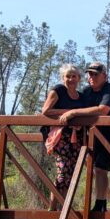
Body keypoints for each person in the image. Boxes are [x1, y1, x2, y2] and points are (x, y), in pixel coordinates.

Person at [59, 61, 110, 212]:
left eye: (95, 74)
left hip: (109, 136)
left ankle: (100, 204)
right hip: (88, 136)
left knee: (100, 169)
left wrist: (74, 113)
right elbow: (76, 106)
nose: (92, 76)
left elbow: (103, 110)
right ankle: (63, 208)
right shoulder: (86, 91)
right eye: (89, 74)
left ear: (104, 76)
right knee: (82, 170)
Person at [41, 64, 87, 210]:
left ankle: (64, 208)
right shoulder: (58, 90)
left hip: (77, 138)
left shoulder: (81, 96)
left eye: (74, 76)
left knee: (72, 173)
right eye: (68, 76)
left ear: (79, 78)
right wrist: (69, 111)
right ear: (63, 78)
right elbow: (46, 111)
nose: (71, 79)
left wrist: (76, 114)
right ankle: (52, 209)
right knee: (63, 171)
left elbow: (85, 113)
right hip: (61, 137)